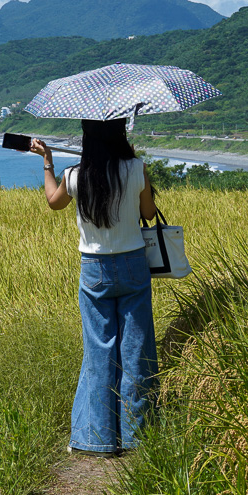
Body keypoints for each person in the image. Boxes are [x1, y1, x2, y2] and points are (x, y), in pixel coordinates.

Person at [30, 118, 159, 456]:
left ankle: (97, 439)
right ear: (120, 136)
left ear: (87, 138)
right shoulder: (136, 168)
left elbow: (53, 202)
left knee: (100, 349)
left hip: (94, 269)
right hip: (132, 264)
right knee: (136, 349)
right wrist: (133, 163)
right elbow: (148, 211)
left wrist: (47, 163)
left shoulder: (76, 174)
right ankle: (137, 436)